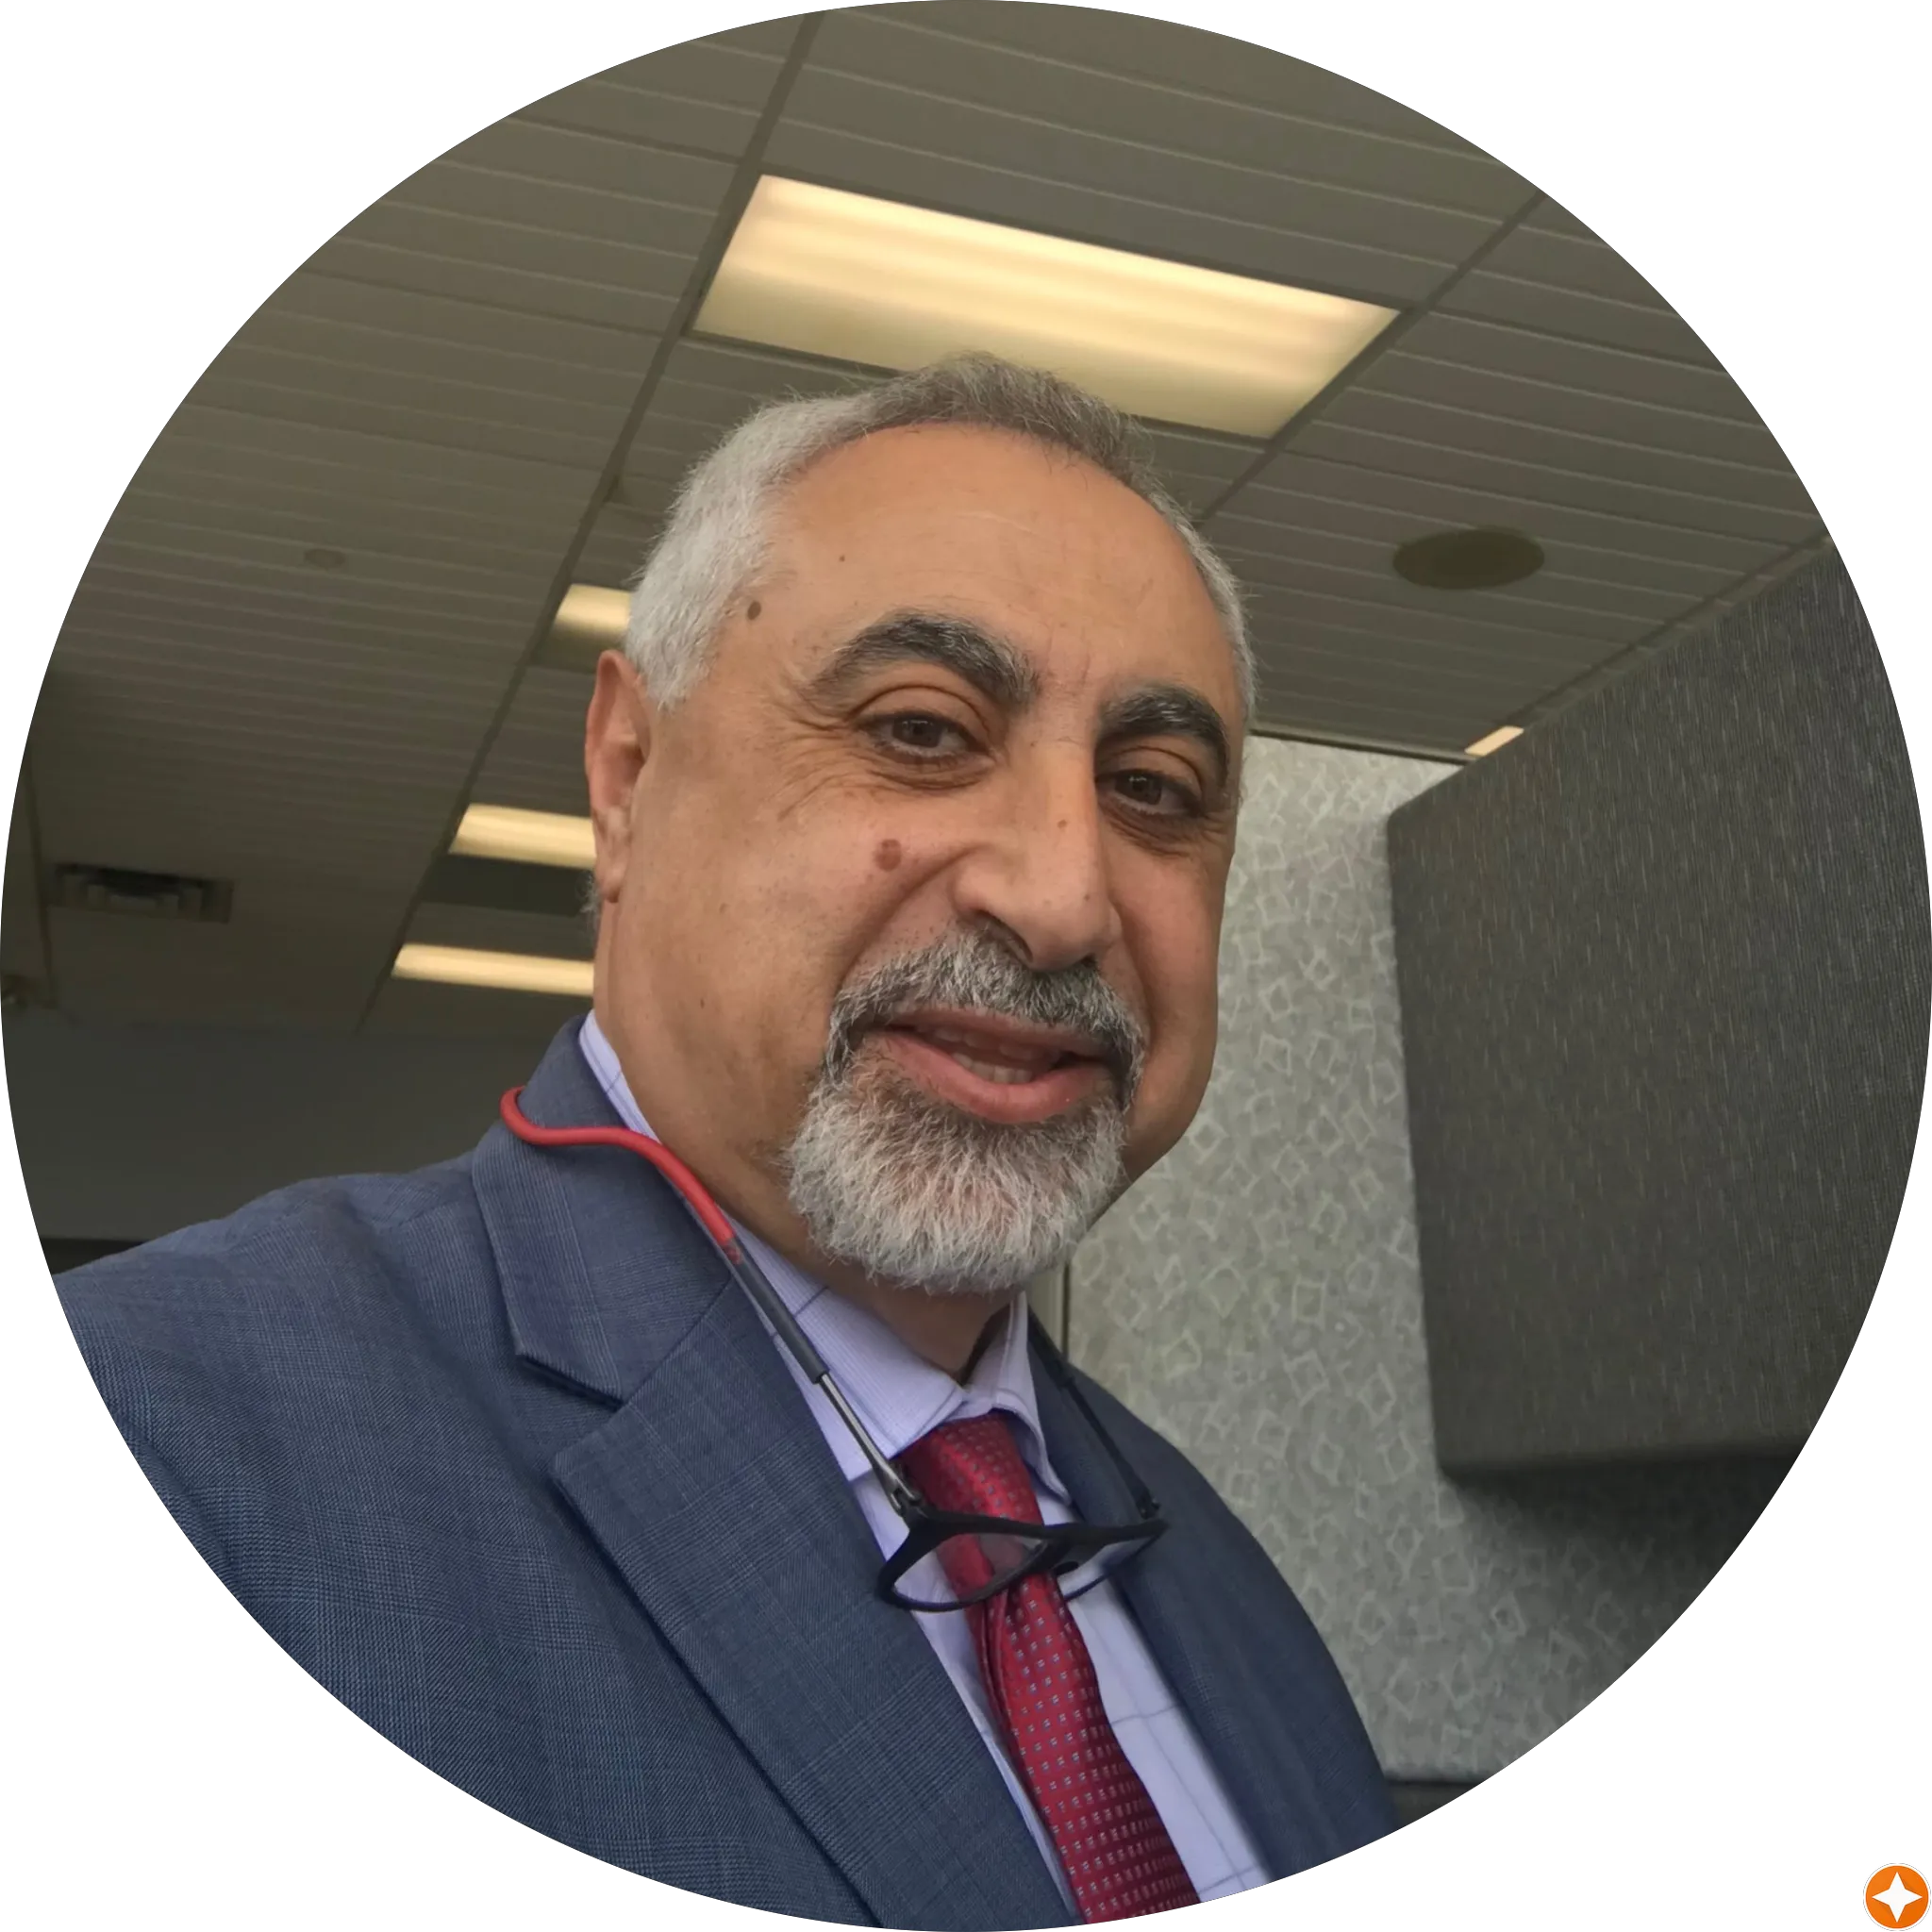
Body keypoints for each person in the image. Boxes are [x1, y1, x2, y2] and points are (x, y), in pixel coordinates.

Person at [54, 354, 1398, 1924]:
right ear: (627, 777)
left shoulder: (1209, 1559)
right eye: (922, 730)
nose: (1061, 897)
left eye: (1154, 790)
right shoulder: (190, 1434)